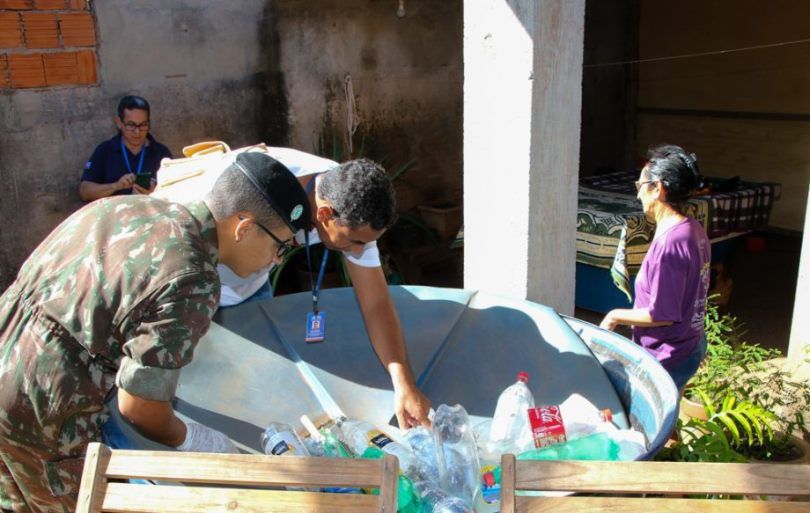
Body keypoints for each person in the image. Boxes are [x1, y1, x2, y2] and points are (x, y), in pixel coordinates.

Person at [0, 152, 309, 513]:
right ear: (243, 228)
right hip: (40, 417)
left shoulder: (121, 208)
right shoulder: (193, 275)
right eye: (280, 246)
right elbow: (140, 407)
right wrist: (195, 439)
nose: (276, 260)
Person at [153, 146, 432, 431]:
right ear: (324, 214)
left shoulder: (350, 201)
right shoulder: (253, 186)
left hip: (250, 290)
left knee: (252, 391)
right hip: (189, 287)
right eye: (355, 242)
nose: (359, 252)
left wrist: (403, 383)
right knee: (194, 388)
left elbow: (375, 303)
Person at [599, 144, 711, 393]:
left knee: (649, 424)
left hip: (669, 355)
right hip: (689, 343)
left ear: (657, 188)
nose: (638, 194)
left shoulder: (672, 243)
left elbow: (662, 313)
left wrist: (614, 316)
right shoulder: (692, 227)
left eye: (640, 186)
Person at [78, 95, 172, 201]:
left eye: (143, 125)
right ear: (118, 122)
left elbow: (176, 191)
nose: (137, 132)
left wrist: (155, 192)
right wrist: (115, 186)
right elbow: (84, 192)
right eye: (131, 125)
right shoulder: (105, 150)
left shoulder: (161, 153)